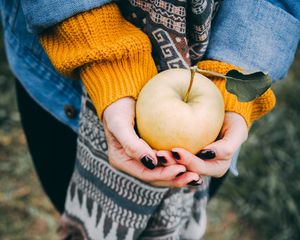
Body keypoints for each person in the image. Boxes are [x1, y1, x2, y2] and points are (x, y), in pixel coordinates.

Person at [1, 0, 299, 239]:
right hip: (74, 79)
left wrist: (236, 70)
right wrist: (108, 65)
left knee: (194, 189)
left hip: (212, 69)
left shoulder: (215, 98)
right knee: (61, 189)